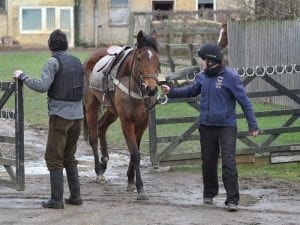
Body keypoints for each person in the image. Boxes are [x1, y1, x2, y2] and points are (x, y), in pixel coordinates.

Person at [161, 42, 259, 212]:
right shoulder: (202, 76)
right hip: (206, 126)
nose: (201, 62)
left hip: (226, 127)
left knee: (228, 163)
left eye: (202, 60)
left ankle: (232, 199)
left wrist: (253, 125)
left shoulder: (230, 77)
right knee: (208, 163)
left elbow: (245, 102)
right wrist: (171, 91)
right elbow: (191, 91)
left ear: (211, 61)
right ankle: (209, 193)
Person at [13, 29, 84, 209]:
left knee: (53, 157)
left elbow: (42, 86)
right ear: (66, 44)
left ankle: (56, 200)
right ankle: (75, 196)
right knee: (69, 156)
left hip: (60, 116)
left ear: (50, 46)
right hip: (78, 116)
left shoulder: (53, 62)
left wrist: (23, 76)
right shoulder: (77, 62)